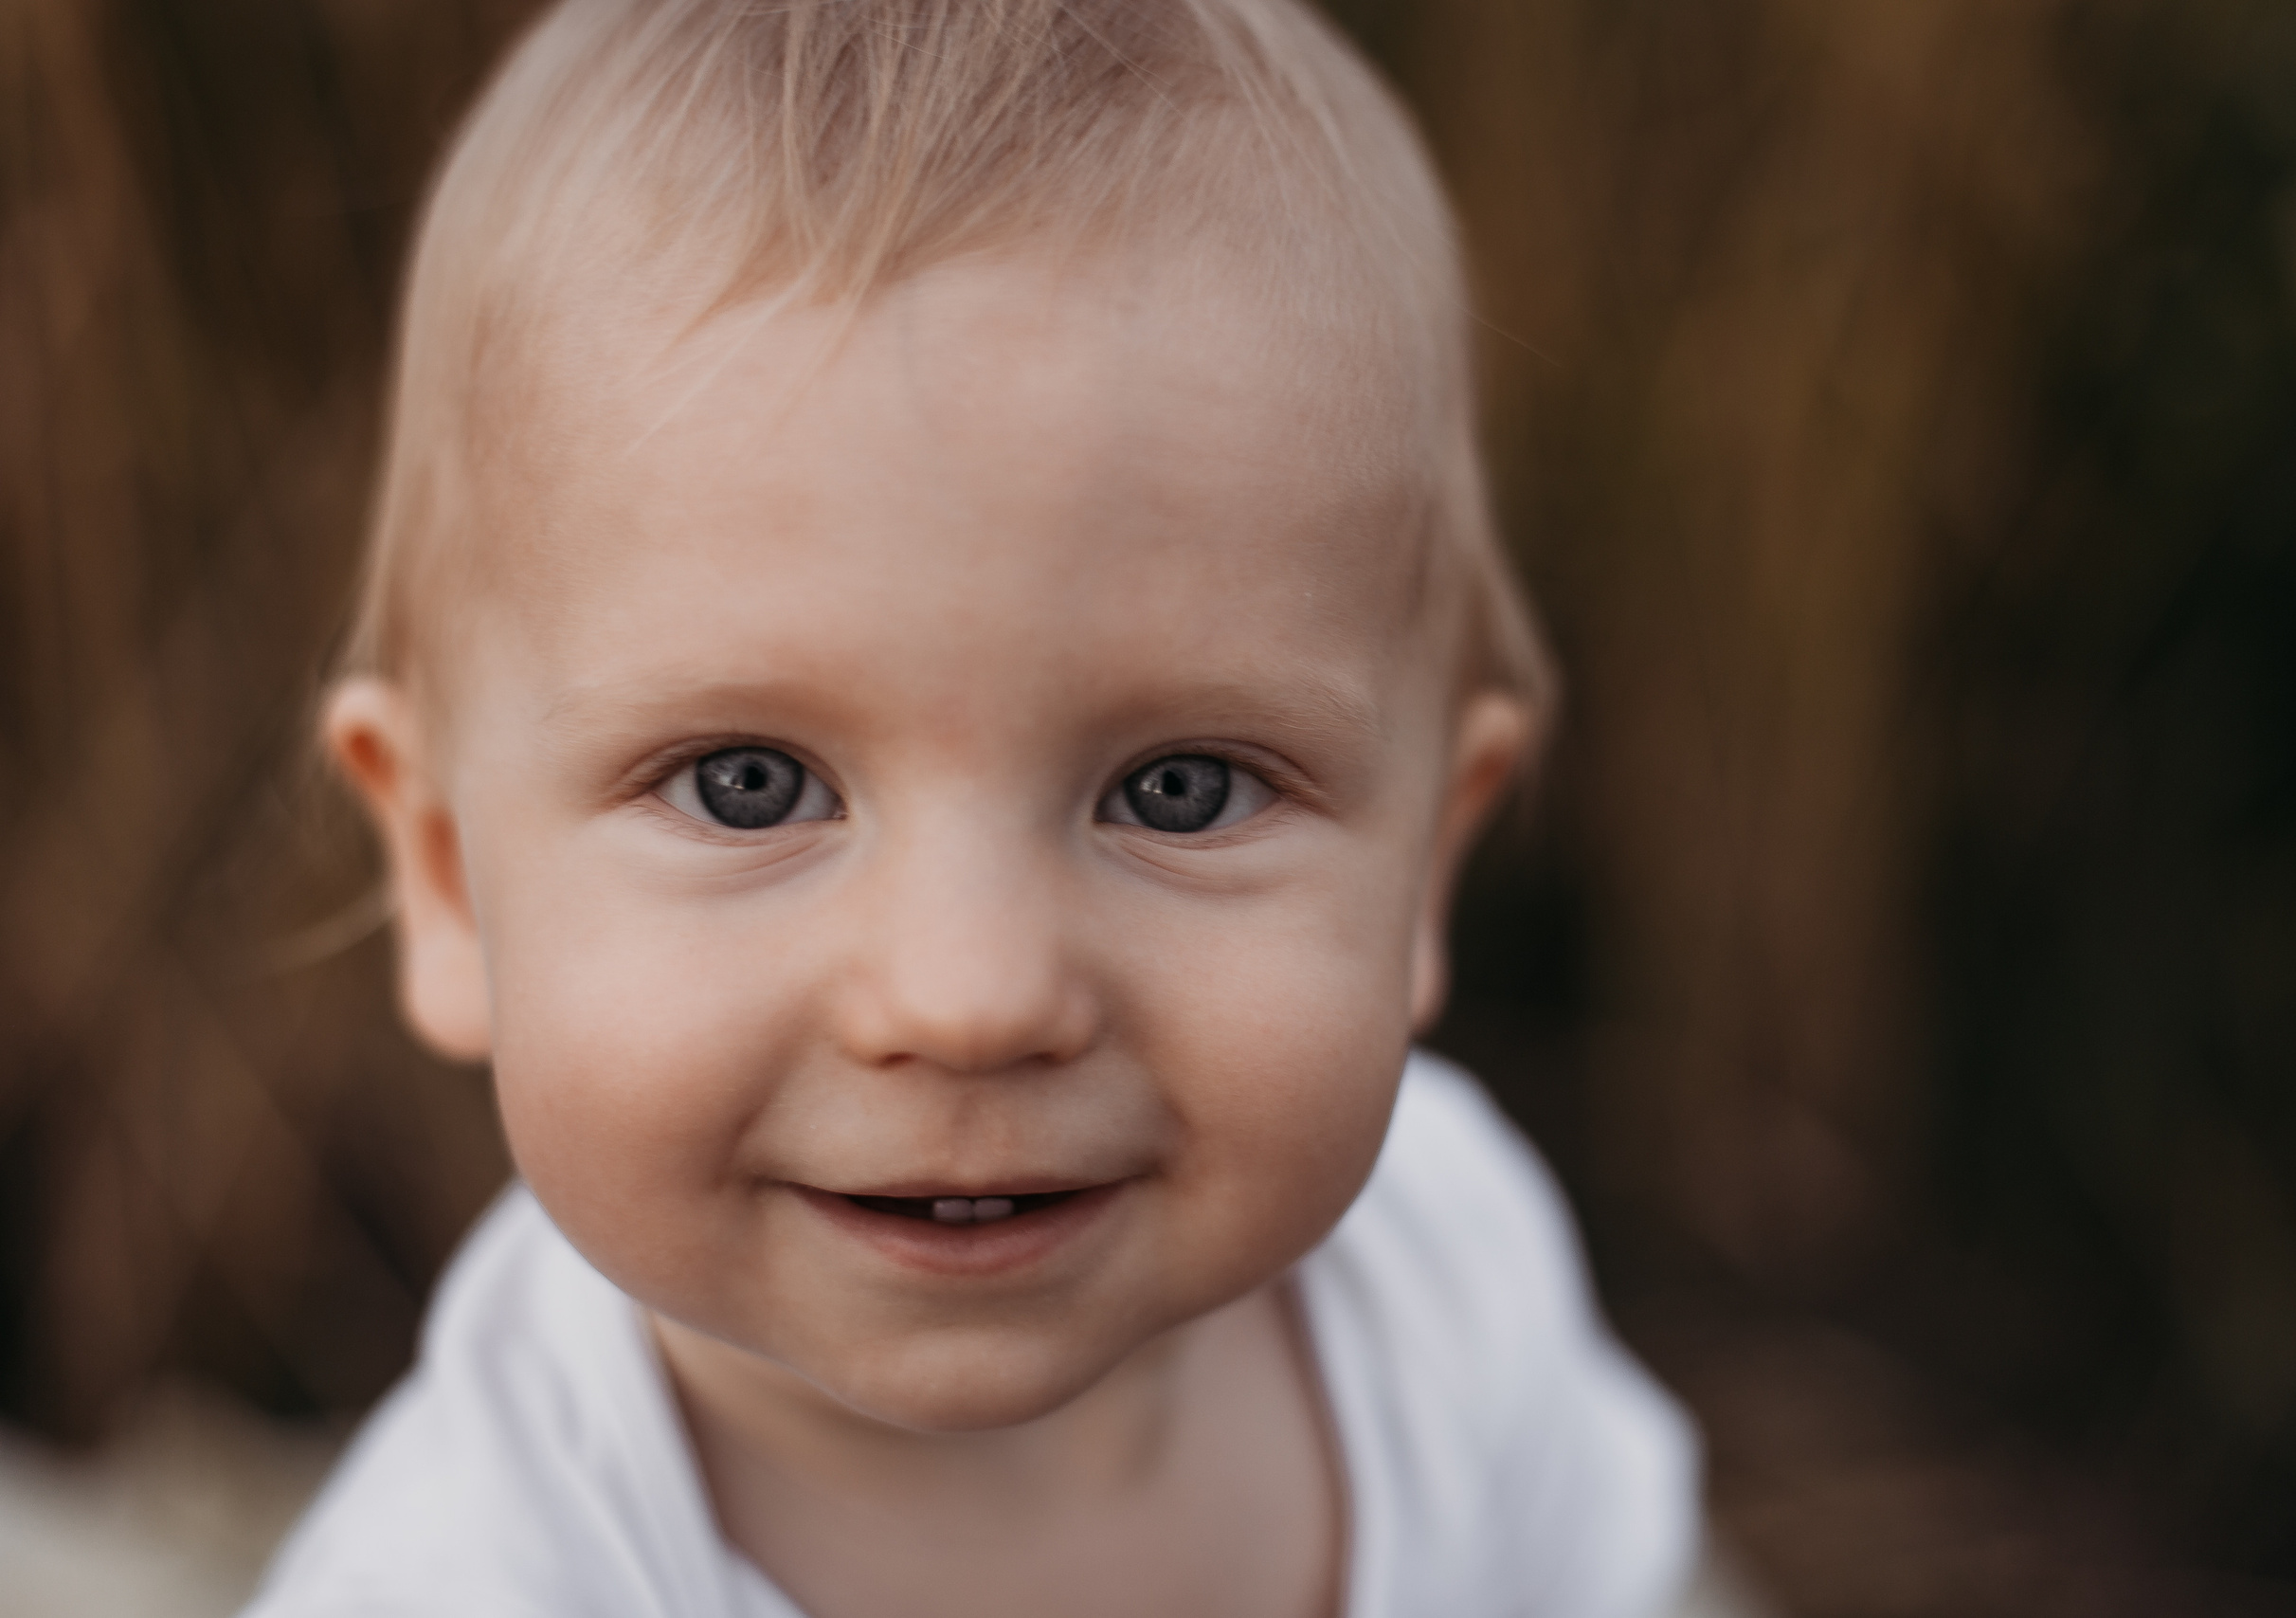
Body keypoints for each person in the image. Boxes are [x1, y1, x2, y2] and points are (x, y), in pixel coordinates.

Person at [244, 1, 1699, 1613]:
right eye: (750, 788)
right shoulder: (482, 1581)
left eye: (1182, 790)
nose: (973, 996)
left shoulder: (1450, 1281)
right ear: (449, 878)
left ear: (1426, 858)